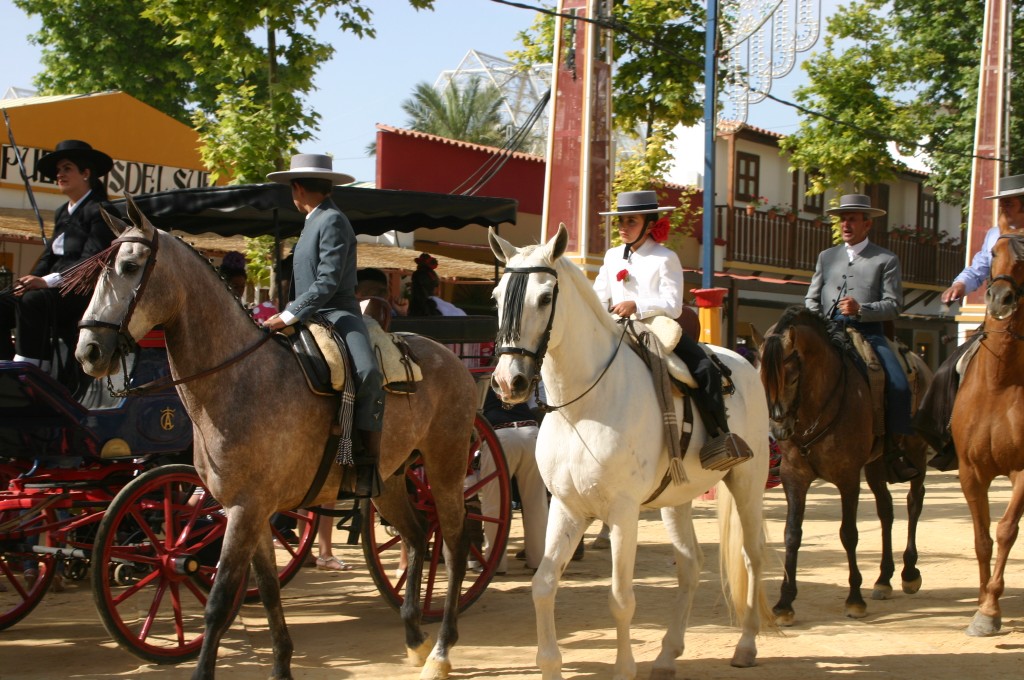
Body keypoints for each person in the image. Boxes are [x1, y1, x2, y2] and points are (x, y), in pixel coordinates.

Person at [593, 189, 753, 462]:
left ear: (650, 225)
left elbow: (673, 305)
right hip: (615, 326)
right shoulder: (611, 256)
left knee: (704, 369)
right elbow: (598, 294)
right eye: (620, 221)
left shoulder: (665, 258)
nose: (623, 227)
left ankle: (719, 437)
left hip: (656, 326)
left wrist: (637, 305)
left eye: (631, 221)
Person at [263, 153, 384, 498]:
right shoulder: (313, 220)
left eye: (292, 189)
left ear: (298, 188)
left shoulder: (332, 220)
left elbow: (328, 281)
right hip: (308, 313)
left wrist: (289, 315)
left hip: (338, 312)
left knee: (368, 374)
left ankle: (367, 464)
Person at [915, 174, 1024, 471]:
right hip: (997, 323)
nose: (1003, 207)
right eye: (1002, 202)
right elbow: (978, 267)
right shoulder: (994, 235)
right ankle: (948, 437)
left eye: (1009, 202)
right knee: (950, 368)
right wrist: (960, 284)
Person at [805, 193, 917, 481]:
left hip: (868, 333)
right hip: (828, 331)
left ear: (867, 224)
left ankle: (893, 451)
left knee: (898, 384)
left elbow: (894, 305)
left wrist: (862, 309)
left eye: (852, 219)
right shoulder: (826, 257)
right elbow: (811, 299)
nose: (846, 224)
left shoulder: (886, 259)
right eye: (843, 219)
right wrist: (817, 323)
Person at [0, 140, 116, 371]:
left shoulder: (100, 210)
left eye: (67, 168)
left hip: (81, 292)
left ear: (85, 173)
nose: (59, 175)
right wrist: (28, 282)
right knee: (4, 302)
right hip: (52, 289)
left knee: (32, 301)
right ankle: (5, 366)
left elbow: (91, 261)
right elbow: (49, 257)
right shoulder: (62, 212)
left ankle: (31, 370)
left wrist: (46, 282)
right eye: (58, 170)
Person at [478, 388, 549, 574]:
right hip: (531, 432)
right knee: (536, 502)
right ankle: (538, 560)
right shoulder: (517, 379)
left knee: (494, 504)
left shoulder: (479, 381)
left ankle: (496, 563)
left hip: (499, 435)